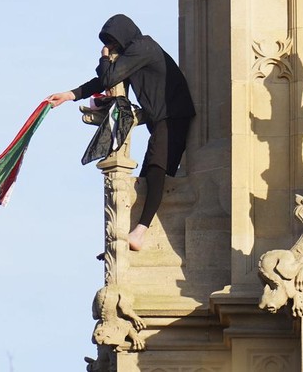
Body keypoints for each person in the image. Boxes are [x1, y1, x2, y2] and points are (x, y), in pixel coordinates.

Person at [46, 14, 195, 251]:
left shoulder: (143, 47)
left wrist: (104, 58)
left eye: (112, 42)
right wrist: (69, 95)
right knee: (148, 177)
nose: (111, 47)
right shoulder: (135, 53)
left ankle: (139, 232)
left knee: (156, 171)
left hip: (173, 116)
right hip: (162, 120)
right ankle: (130, 237)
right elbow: (102, 81)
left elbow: (108, 77)